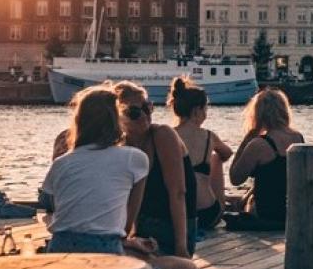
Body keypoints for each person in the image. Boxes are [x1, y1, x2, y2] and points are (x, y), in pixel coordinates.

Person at [40, 85, 149, 254]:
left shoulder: (61, 163)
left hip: (60, 248)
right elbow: (125, 228)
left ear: (78, 122)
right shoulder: (135, 159)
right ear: (117, 120)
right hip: (105, 248)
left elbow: (59, 211)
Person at [116, 81, 196, 258]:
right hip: (141, 232)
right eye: (135, 112)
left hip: (171, 231)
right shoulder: (120, 147)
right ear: (118, 116)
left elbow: (178, 193)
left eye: (147, 107)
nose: (145, 115)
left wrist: (181, 248)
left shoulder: (162, 135)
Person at [168, 77, 233, 231]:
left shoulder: (167, 136)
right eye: (206, 109)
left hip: (176, 215)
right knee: (216, 158)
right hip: (207, 213)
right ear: (197, 110)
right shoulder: (209, 136)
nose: (206, 114)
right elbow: (228, 153)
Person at [229, 89, 303, 224]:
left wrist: (249, 136)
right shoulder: (298, 137)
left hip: (266, 213)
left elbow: (235, 178)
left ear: (258, 114)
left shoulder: (258, 144)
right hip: (291, 212)